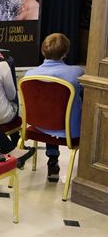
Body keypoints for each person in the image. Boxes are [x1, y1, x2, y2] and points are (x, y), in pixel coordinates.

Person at [25, 33, 84, 182]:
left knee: (51, 110)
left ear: (42, 51)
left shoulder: (29, 75)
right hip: (69, 130)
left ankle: (52, 159)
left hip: (39, 125)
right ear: (65, 53)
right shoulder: (76, 73)